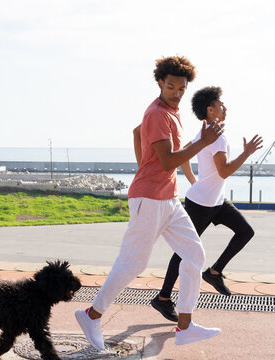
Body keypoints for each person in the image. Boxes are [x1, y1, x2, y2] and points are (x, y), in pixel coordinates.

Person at [75, 56, 224, 350]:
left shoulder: (170, 113)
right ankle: (91, 315)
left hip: (167, 198)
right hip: (149, 199)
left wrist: (144, 166)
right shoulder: (157, 113)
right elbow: (168, 161)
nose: (176, 93)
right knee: (133, 263)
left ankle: (185, 326)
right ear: (160, 83)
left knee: (194, 256)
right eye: (171, 87)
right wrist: (202, 143)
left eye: (182, 88)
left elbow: (136, 133)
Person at [145, 86, 263, 322]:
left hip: (215, 201)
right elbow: (225, 171)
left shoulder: (204, 134)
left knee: (245, 232)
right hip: (201, 204)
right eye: (220, 105)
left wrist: (193, 180)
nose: (225, 108)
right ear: (210, 110)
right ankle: (163, 298)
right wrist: (247, 153)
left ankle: (214, 272)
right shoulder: (214, 138)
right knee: (183, 251)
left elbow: (185, 154)